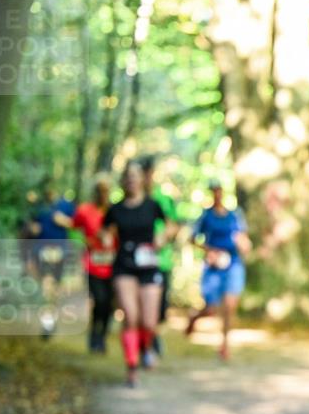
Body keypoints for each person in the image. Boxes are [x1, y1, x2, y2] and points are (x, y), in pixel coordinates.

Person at [102, 162, 173, 387]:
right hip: (124, 265)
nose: (132, 179)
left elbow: (172, 225)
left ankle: (147, 347)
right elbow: (104, 229)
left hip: (149, 266)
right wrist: (105, 239)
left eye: (136, 175)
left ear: (143, 179)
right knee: (131, 317)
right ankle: (131, 366)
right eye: (128, 176)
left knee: (149, 322)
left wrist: (163, 237)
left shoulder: (153, 206)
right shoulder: (116, 209)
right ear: (123, 181)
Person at [184, 180, 250, 360]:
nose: (217, 194)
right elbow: (191, 239)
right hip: (213, 266)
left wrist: (244, 245)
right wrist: (209, 251)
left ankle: (225, 345)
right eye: (214, 191)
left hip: (233, 263)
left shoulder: (235, 215)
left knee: (229, 306)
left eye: (219, 190)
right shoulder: (205, 216)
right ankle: (194, 318)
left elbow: (242, 237)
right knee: (211, 308)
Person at [140, 155, 180, 361]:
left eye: (149, 173)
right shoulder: (130, 199)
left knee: (160, 308)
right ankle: (145, 345)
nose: (146, 178)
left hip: (160, 261)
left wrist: (162, 238)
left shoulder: (162, 199)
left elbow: (174, 225)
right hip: (135, 263)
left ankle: (153, 335)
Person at [69, 175, 115, 353]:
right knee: (99, 299)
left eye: (106, 190)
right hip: (92, 264)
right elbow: (73, 230)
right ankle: (94, 335)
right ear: (95, 192)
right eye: (100, 190)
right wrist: (85, 241)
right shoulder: (84, 210)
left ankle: (101, 336)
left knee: (109, 304)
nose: (103, 194)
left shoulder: (114, 211)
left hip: (112, 264)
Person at [27, 181, 76, 338]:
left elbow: (77, 225)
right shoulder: (39, 207)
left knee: (54, 290)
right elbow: (29, 227)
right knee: (47, 287)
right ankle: (47, 324)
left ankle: (51, 321)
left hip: (60, 252)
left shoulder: (66, 205)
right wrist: (33, 228)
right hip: (41, 252)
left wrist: (63, 220)